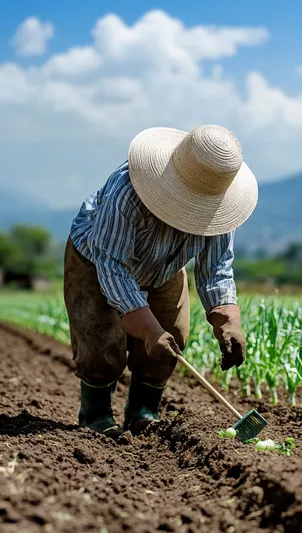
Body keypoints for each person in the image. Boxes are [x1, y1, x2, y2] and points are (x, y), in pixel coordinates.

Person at [64, 124, 258, 438]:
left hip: (165, 265)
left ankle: (143, 412)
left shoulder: (220, 206)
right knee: (100, 338)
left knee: (173, 335)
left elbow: (217, 268)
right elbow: (112, 265)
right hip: (97, 257)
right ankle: (95, 415)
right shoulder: (127, 192)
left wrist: (227, 321)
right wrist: (146, 326)